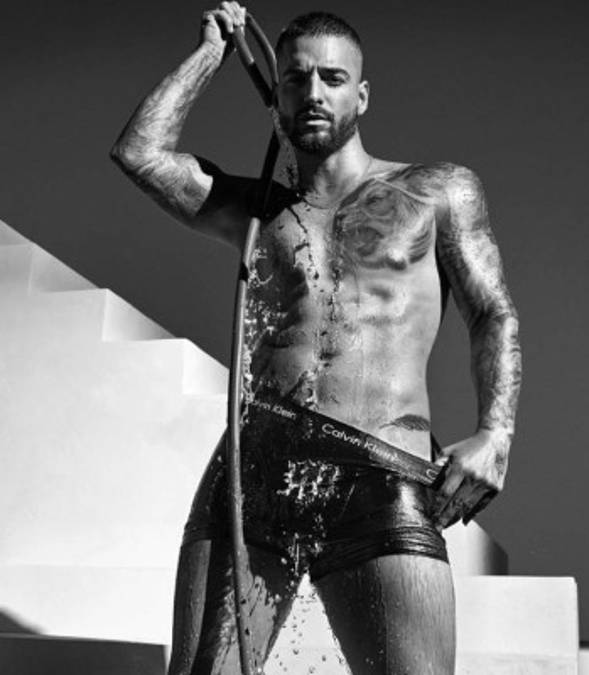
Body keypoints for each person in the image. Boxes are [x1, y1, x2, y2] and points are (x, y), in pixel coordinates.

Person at [110, 4, 522, 674]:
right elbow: (140, 155)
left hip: (380, 469)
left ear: (362, 95)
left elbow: (492, 313)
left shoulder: (434, 191)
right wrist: (211, 53)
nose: (314, 93)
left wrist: (495, 433)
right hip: (254, 467)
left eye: (333, 78)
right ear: (275, 96)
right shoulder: (256, 210)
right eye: (296, 79)